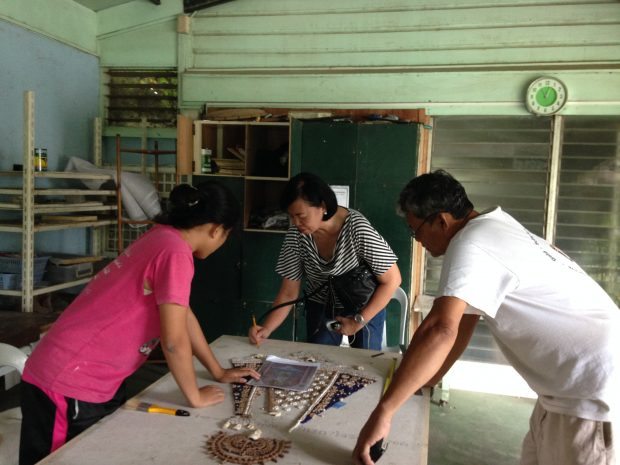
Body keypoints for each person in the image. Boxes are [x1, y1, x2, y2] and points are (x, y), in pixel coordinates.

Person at [354, 169, 618, 465]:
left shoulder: (471, 243)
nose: (417, 241)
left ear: (441, 221)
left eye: (416, 231)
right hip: (564, 389)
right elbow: (464, 320)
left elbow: (441, 329)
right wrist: (426, 380)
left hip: (593, 392)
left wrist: (384, 411)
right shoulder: (494, 226)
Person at [19, 181, 259, 465]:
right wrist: (194, 395)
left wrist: (216, 370)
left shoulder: (163, 237)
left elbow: (183, 315)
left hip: (85, 377)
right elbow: (173, 341)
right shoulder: (175, 252)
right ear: (217, 229)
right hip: (68, 381)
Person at [249, 172, 402, 350]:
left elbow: (393, 280)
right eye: (291, 216)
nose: (296, 223)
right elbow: (288, 293)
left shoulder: (357, 229)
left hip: (364, 306)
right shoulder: (296, 236)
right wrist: (266, 329)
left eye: (301, 215)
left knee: (366, 363)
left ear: (322, 206)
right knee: (318, 359)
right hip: (322, 305)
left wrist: (359, 320)